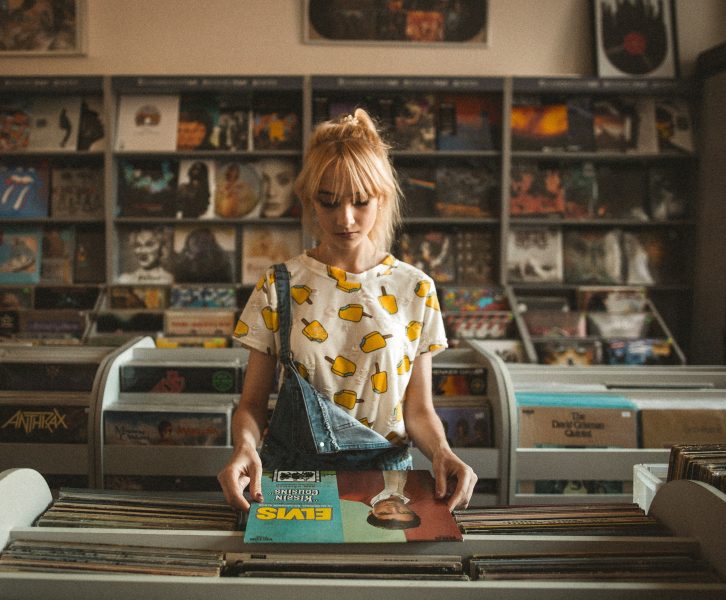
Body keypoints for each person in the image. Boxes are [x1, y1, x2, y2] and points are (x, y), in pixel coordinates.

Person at [217, 108, 477, 513]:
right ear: (309, 200)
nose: (345, 218)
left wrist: (443, 451)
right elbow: (252, 403)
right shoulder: (279, 285)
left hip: (387, 484)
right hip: (296, 481)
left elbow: (419, 409)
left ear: (382, 197)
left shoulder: (415, 289)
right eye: (329, 202)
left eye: (360, 201)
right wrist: (244, 449)